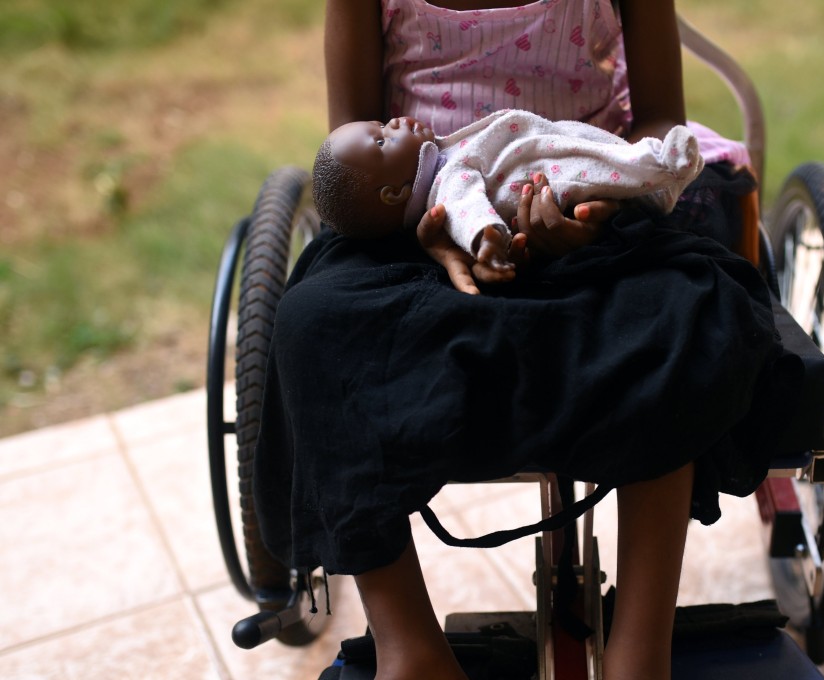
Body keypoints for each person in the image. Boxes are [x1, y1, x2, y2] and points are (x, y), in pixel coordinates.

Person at [253, 2, 784, 680]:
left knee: (689, 313)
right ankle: (410, 648)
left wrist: (603, 205)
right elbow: (355, 147)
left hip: (588, 201)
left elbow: (658, 119)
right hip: (421, 227)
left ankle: (639, 653)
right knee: (309, 324)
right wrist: (435, 224)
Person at [312, 110, 705, 293]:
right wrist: (486, 239)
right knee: (596, 167)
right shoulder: (444, 183)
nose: (393, 122)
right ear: (396, 193)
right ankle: (660, 171)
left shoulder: (442, 160)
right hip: (542, 179)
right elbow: (466, 208)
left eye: (381, 123)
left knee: (598, 156)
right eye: (382, 139)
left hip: (545, 149)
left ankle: (653, 176)